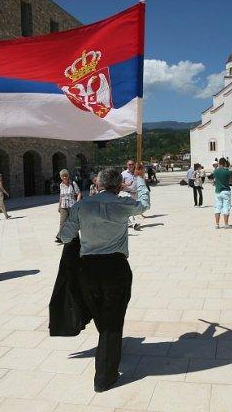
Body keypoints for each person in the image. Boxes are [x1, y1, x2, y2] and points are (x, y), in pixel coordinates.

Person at [59, 166, 150, 392]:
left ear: (98, 184)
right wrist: (139, 181)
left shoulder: (82, 205)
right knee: (112, 321)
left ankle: (109, 346)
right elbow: (145, 205)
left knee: (103, 316)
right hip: (115, 268)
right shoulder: (122, 204)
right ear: (119, 185)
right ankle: (104, 377)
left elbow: (65, 235)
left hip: (88, 269)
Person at [56, 169, 81, 243]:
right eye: (63, 176)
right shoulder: (61, 185)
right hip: (64, 206)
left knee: (72, 222)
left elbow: (79, 193)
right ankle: (60, 237)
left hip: (72, 206)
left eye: (66, 176)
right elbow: (61, 196)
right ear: (61, 177)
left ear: (68, 176)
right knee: (62, 222)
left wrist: (77, 203)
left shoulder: (73, 184)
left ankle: (75, 238)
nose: (64, 177)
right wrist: (59, 206)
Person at [213, 157, 232, 229]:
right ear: (225, 163)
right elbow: (231, 179)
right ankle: (226, 224)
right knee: (226, 207)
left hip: (217, 191)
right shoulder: (227, 171)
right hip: (226, 190)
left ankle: (217, 224)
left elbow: (214, 180)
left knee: (217, 207)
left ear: (219, 163)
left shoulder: (215, 171)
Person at [121, 160, 140, 230]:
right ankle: (134, 223)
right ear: (127, 165)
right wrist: (127, 184)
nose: (131, 166)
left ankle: (128, 223)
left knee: (131, 209)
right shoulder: (123, 174)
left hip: (135, 193)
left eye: (132, 164)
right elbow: (120, 183)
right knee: (130, 208)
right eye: (129, 164)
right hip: (127, 193)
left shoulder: (136, 173)